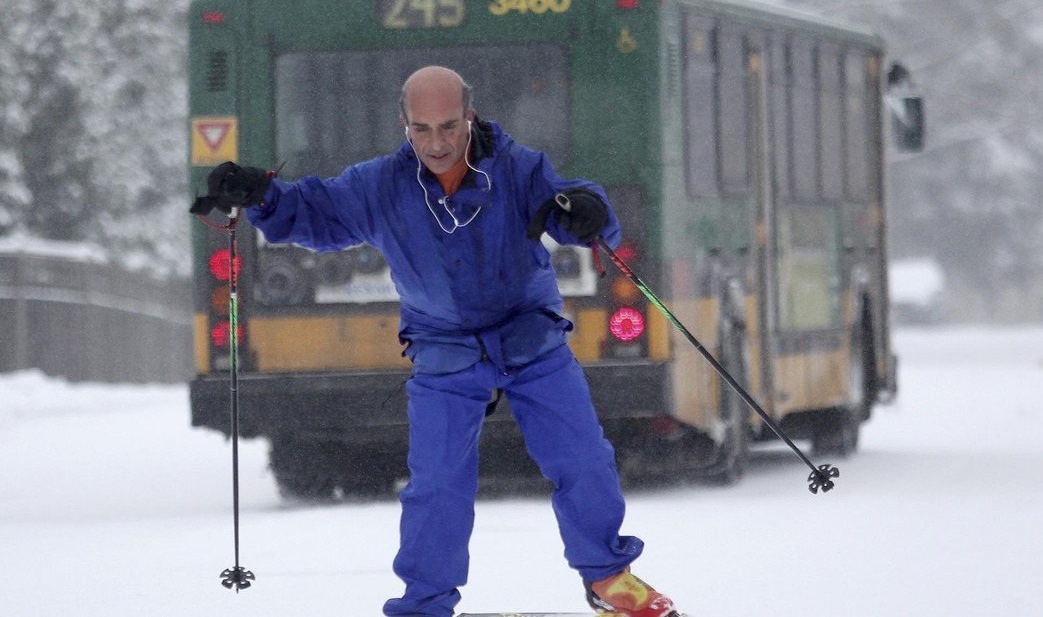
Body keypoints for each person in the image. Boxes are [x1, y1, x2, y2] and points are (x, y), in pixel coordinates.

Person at [189, 66, 680, 617]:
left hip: (529, 339)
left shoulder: (517, 169)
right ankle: (425, 604)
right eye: (422, 129)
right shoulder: (380, 186)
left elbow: (574, 202)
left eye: (449, 126)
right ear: (404, 124)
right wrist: (262, 196)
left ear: (469, 117)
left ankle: (609, 579)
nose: (438, 143)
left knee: (584, 458)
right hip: (445, 349)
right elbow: (317, 211)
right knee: (438, 484)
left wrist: (590, 211)